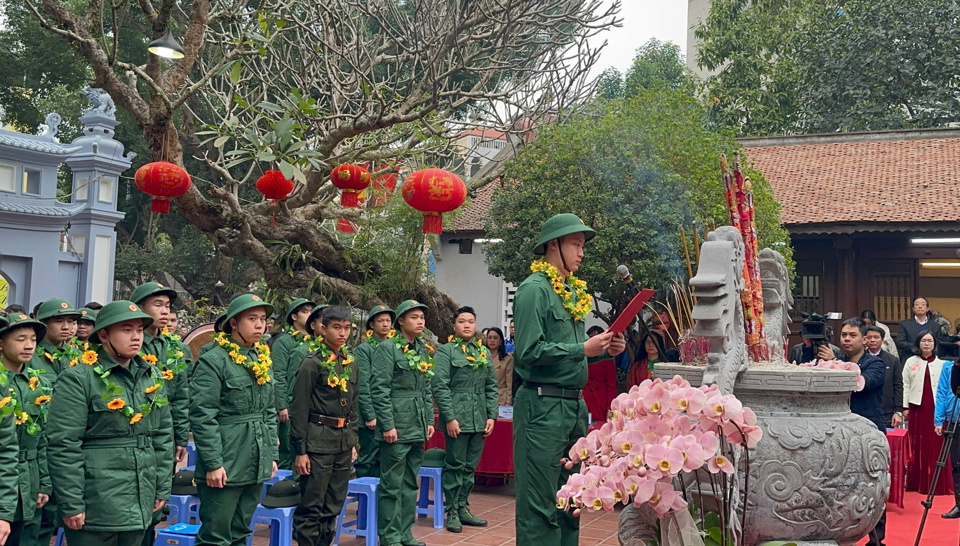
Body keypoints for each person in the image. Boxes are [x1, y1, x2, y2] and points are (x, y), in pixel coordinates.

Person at [512, 213, 626, 546]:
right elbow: (528, 352)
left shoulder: (571, 290)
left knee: (570, 499)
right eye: (575, 244)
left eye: (582, 245)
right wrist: (582, 347)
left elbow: (572, 353)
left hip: (572, 406)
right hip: (541, 406)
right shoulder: (534, 290)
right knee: (540, 504)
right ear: (553, 245)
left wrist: (604, 348)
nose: (581, 252)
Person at [46, 300, 174, 546]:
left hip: (141, 493)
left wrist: (161, 487)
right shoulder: (79, 379)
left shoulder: (151, 376)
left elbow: (162, 436)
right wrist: (72, 503)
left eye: (138, 330)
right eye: (126, 330)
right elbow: (64, 445)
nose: (136, 337)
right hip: (97, 501)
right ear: (103, 335)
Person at [190, 294, 279, 546]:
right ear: (233, 323)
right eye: (252, 319)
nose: (260, 325)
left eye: (263, 319)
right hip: (227, 459)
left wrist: (271, 453)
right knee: (216, 536)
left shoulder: (262, 357)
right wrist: (213, 463)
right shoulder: (214, 360)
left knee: (241, 531)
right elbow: (203, 415)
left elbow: (268, 411)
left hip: (256, 457)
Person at [290, 306, 359, 546]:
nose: (343, 333)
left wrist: (352, 440)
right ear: (323, 329)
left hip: (342, 440)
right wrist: (300, 450)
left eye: (347, 328)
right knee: (312, 504)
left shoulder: (349, 361)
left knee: (334, 503)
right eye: (336, 327)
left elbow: (354, 404)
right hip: (317, 441)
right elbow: (299, 408)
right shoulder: (312, 363)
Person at [129, 281, 191, 546]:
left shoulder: (175, 347)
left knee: (155, 503)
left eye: (167, 306)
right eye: (157, 305)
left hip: (162, 437)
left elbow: (179, 396)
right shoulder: (131, 345)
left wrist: (179, 437)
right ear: (140, 308)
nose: (165, 311)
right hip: (134, 434)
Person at [370, 299, 435, 546]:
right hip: (396, 425)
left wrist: (428, 419)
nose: (420, 322)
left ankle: (405, 533)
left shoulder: (422, 349)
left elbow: (426, 387)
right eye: (414, 317)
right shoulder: (388, 349)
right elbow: (380, 389)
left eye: (422, 317)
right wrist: (387, 424)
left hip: (417, 425)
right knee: (391, 485)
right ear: (401, 321)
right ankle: (389, 536)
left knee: (410, 483)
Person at [432, 306, 498, 533]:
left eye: (471, 321)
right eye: (462, 321)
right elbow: (439, 387)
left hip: (479, 418)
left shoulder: (483, 352)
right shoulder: (445, 352)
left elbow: (491, 386)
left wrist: (492, 415)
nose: (467, 325)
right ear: (454, 326)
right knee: (455, 465)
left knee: (470, 467)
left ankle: (463, 508)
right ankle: (451, 510)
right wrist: (449, 418)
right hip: (457, 419)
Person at [0, 313, 52, 546]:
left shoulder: (38, 384)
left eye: (32, 339)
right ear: (1, 343)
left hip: (29, 480)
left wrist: (44, 482)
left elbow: (42, 436)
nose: (29, 345)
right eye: (21, 339)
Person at [838, 318, 886, 546]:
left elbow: (861, 384)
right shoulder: (836, 360)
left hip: (869, 432)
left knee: (873, 487)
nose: (847, 339)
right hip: (841, 433)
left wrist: (836, 368)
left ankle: (877, 539)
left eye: (852, 335)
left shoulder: (875, 364)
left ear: (865, 340)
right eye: (844, 335)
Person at [903, 330, 952, 495]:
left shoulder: (943, 363)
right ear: (918, 343)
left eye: (930, 341)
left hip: (937, 407)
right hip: (917, 406)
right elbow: (905, 385)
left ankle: (937, 484)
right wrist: (905, 407)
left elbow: (947, 388)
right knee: (918, 443)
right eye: (923, 340)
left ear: (935, 344)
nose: (926, 344)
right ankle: (917, 482)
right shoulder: (910, 361)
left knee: (936, 444)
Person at [271, 298, 317, 471]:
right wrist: (282, 405)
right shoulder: (284, 342)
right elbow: (279, 375)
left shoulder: (316, 342)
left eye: (311, 310)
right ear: (294, 316)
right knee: (288, 451)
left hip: (310, 406)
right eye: (305, 311)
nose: (310, 314)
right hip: (290, 405)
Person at [353, 305, 395, 478]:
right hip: (370, 415)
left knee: (384, 458)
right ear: (371, 324)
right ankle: (365, 502)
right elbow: (364, 384)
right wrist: (370, 414)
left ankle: (379, 501)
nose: (385, 324)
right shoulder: (364, 350)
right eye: (380, 321)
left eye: (387, 321)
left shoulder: (395, 347)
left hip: (389, 411)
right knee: (368, 457)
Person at [934, 356, 960, 518]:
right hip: (953, 419)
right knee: (956, 463)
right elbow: (942, 391)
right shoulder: (948, 366)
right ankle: (959, 503)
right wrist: (938, 419)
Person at [864, 325, 904, 428]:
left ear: (882, 340)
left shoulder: (893, 360)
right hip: (863, 410)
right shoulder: (860, 359)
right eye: (869, 337)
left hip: (886, 412)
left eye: (876, 337)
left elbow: (898, 385)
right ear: (864, 339)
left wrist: (898, 411)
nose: (873, 340)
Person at [32, 299, 82, 377]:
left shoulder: (78, 355)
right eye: (59, 321)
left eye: (70, 321)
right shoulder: (29, 355)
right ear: (43, 323)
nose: (66, 327)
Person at [584, 326, 617, 424]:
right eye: (591, 337)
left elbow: (612, 385)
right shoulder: (583, 357)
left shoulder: (607, 360)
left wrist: (610, 407)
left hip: (601, 399)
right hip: (584, 397)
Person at [897, 297, 935, 364]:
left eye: (923, 304)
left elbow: (938, 343)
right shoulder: (904, 324)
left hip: (930, 360)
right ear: (913, 308)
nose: (920, 306)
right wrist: (917, 346)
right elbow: (900, 343)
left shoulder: (935, 326)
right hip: (909, 358)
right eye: (917, 304)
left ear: (927, 308)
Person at [486, 327, 514, 405]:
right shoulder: (481, 357)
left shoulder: (508, 359)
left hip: (501, 399)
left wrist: (508, 403)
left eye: (495, 338)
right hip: (484, 398)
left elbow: (509, 384)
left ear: (501, 340)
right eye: (489, 338)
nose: (492, 340)